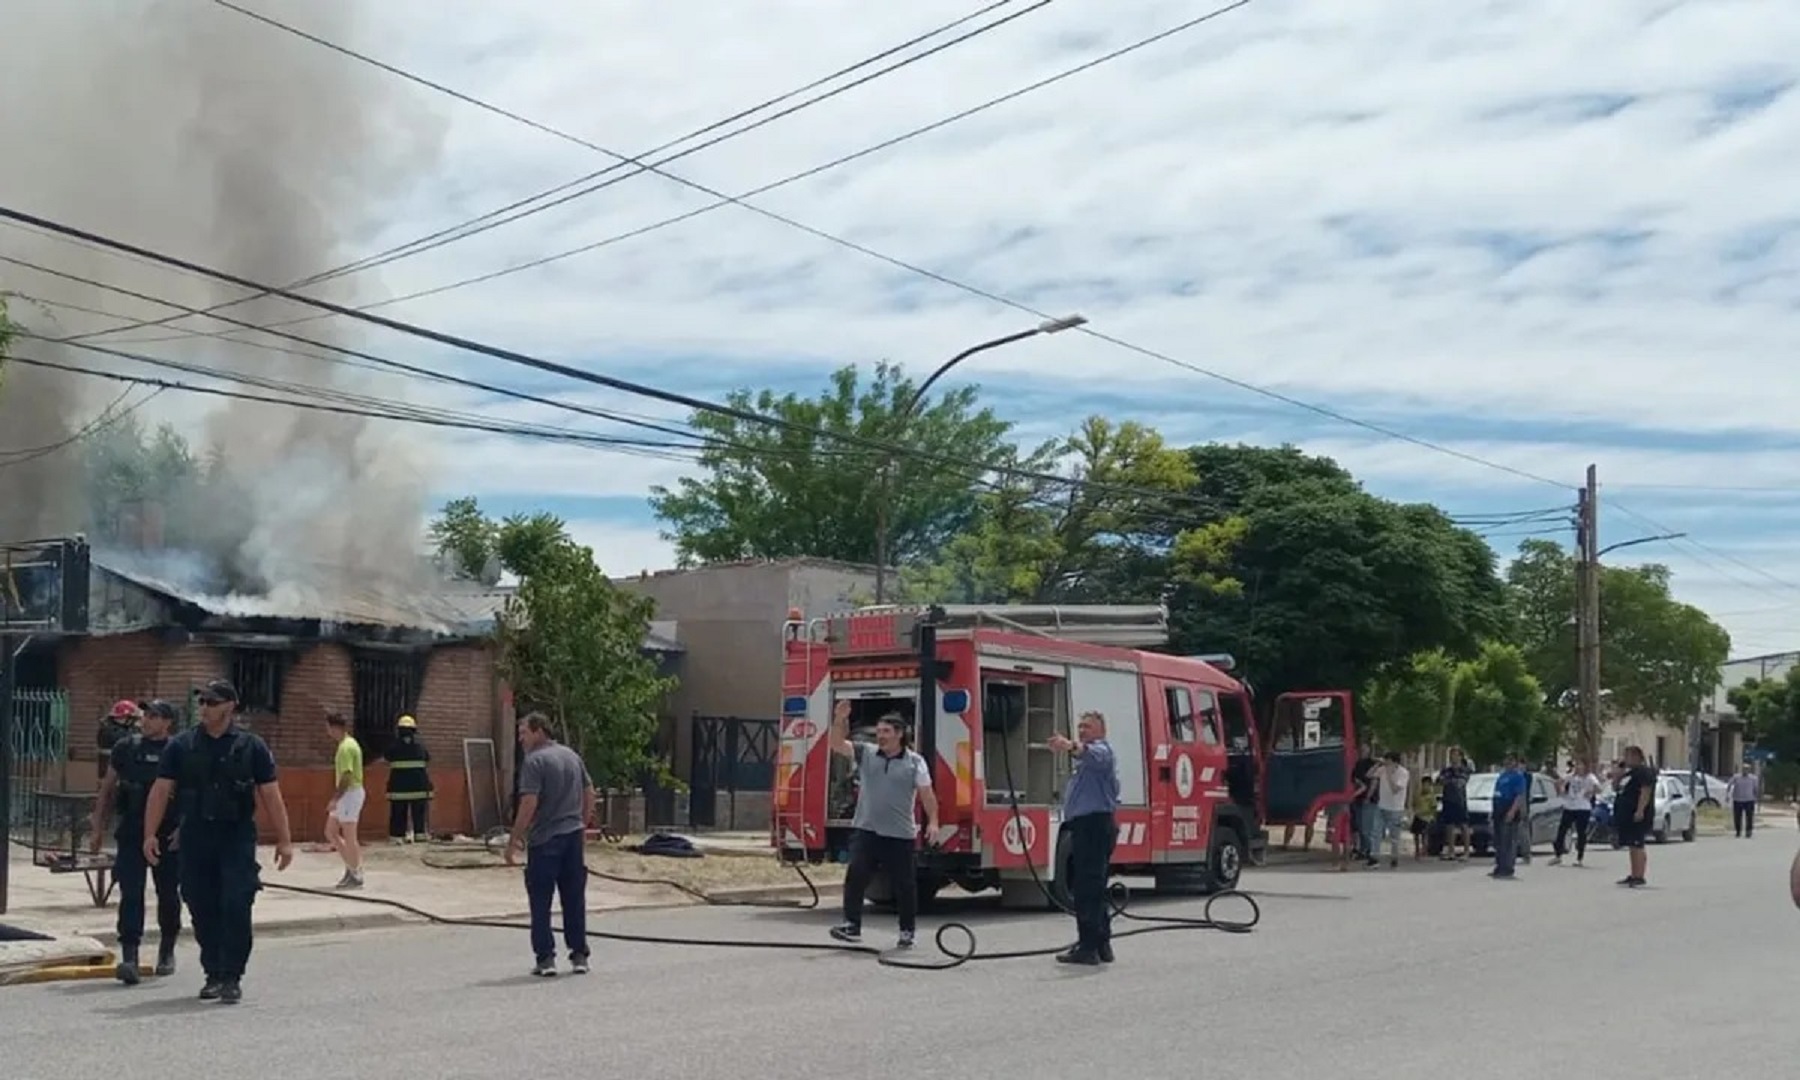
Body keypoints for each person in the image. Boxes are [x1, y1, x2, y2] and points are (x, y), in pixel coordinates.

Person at [142, 679, 293, 1004]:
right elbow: (161, 790)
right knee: (200, 903)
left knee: (237, 903)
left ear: (229, 706)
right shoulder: (181, 746)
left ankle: (232, 975)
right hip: (196, 835)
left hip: (235, 836)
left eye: (212, 702)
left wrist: (285, 840)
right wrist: (149, 834)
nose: (205, 708)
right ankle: (213, 972)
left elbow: (271, 794)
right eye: (203, 702)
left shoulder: (251, 746)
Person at [827, 700, 940, 951]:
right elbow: (836, 744)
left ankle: (907, 931)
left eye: (886, 732)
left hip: (899, 834)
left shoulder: (915, 762)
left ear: (900, 734)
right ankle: (851, 926)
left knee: (904, 885)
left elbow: (927, 794)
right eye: (878, 732)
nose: (881, 737)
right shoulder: (866, 752)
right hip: (867, 829)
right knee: (856, 876)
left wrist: (933, 822)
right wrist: (839, 719)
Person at [89, 699, 183, 984]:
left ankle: (167, 948)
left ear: (167, 722)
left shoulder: (178, 751)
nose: (147, 720)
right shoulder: (126, 748)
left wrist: (184, 827)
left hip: (166, 834)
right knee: (131, 892)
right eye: (147, 715)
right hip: (131, 831)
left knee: (167, 892)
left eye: (155, 716)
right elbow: (107, 788)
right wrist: (97, 827)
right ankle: (130, 955)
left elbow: (191, 792)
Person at [505, 712, 596, 977]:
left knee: (541, 900)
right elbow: (590, 792)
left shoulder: (535, 762)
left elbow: (529, 802)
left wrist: (514, 839)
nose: (521, 739)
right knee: (574, 899)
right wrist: (582, 824)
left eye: (524, 733)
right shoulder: (571, 756)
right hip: (572, 838)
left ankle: (545, 959)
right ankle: (579, 955)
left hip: (545, 840)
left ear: (538, 731)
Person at [1048, 710, 1120, 965]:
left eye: (1087, 726)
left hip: (1094, 825)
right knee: (1094, 886)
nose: (1082, 730)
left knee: (1086, 888)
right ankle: (1101, 944)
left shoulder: (1102, 752)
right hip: (1088, 825)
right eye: (1080, 726)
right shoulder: (1087, 762)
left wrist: (1069, 745)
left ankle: (1087, 947)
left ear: (1101, 730)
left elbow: (1090, 753)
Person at [324, 712, 365, 889]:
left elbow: (347, 775)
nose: (327, 731)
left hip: (350, 794)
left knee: (349, 835)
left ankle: (355, 873)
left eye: (328, 727)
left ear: (334, 727)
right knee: (331, 831)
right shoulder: (347, 745)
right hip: (347, 794)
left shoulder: (346, 748)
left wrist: (335, 798)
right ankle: (351, 867)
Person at [383, 714, 433, 843]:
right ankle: (419, 834)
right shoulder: (420, 747)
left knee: (398, 813)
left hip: (399, 788)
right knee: (419, 813)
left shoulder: (393, 747)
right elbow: (427, 758)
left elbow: (387, 757)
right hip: (419, 787)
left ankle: (397, 836)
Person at [1613, 746, 1657, 887]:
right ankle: (1633, 874)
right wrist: (1618, 774)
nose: (1625, 759)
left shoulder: (1644, 772)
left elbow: (1645, 791)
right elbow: (1616, 788)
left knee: (1638, 844)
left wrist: (1640, 810)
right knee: (1632, 845)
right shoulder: (1628, 774)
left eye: (1628, 756)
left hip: (1637, 814)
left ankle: (1639, 876)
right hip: (1626, 814)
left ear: (1636, 757)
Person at [1551, 759, 1599, 867]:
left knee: (1581, 832)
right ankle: (1558, 855)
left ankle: (1579, 858)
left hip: (1583, 807)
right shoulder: (1571, 776)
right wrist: (1561, 790)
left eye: (1580, 765)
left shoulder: (1590, 777)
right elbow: (1558, 782)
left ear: (1585, 766)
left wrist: (1590, 792)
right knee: (1562, 830)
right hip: (1569, 806)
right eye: (1577, 765)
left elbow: (1598, 788)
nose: (1578, 767)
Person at [1489, 754, 1528, 879]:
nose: (1508, 762)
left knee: (1509, 840)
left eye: (1511, 760)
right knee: (1499, 841)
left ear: (1515, 762)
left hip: (1509, 808)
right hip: (1498, 810)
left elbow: (1519, 796)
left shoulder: (1518, 777)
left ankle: (1507, 868)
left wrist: (1512, 811)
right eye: (1507, 759)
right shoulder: (1502, 776)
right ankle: (1499, 866)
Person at [1373, 752, 1409, 868]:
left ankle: (1394, 857)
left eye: (1388, 761)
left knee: (1394, 836)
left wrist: (1388, 774)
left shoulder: (1403, 773)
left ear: (1394, 762)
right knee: (1376, 833)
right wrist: (1377, 765)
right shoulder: (1382, 769)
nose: (1386, 763)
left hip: (1395, 808)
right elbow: (1369, 775)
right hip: (1382, 806)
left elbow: (1395, 790)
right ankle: (1374, 858)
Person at [1436, 747, 1473, 861]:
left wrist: (1449, 780)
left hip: (1459, 800)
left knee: (1463, 825)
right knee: (1449, 826)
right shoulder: (1446, 770)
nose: (1453, 757)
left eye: (1456, 755)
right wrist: (1448, 780)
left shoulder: (1464, 769)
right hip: (1448, 799)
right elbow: (1439, 781)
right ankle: (1451, 851)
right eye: (1452, 755)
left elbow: (1460, 783)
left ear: (1461, 757)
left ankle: (1466, 852)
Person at [1350, 741, 1379, 867]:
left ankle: (1370, 852)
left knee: (1367, 828)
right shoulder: (1357, 765)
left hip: (1369, 799)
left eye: (1364, 749)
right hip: (1357, 799)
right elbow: (1355, 781)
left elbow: (1373, 781)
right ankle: (1363, 850)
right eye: (1360, 749)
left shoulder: (1372, 764)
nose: (1362, 751)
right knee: (1359, 826)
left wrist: (1368, 795)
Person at [96, 699, 140, 782]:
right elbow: (130, 739)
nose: (132, 722)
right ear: (123, 717)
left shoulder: (107, 727)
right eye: (131, 718)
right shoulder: (111, 731)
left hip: (111, 773)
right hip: (113, 775)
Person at [1727, 764, 1760, 838]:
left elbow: (1756, 788)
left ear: (1749, 770)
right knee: (1737, 817)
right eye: (1744, 769)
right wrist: (1728, 794)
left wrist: (1756, 798)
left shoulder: (1753, 778)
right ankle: (1738, 831)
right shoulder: (1736, 777)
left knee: (1749, 817)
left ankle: (1749, 831)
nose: (1745, 770)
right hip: (1738, 799)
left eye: (1747, 769)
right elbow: (1729, 784)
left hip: (1749, 799)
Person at [1410, 774, 1436, 861]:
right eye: (1424, 784)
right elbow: (1414, 803)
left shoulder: (1431, 796)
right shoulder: (1418, 794)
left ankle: (1424, 850)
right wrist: (1415, 810)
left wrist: (1428, 814)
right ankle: (1417, 850)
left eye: (1428, 785)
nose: (1426, 787)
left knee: (1424, 834)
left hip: (1426, 818)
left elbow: (1433, 808)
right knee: (1416, 834)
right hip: (1418, 816)